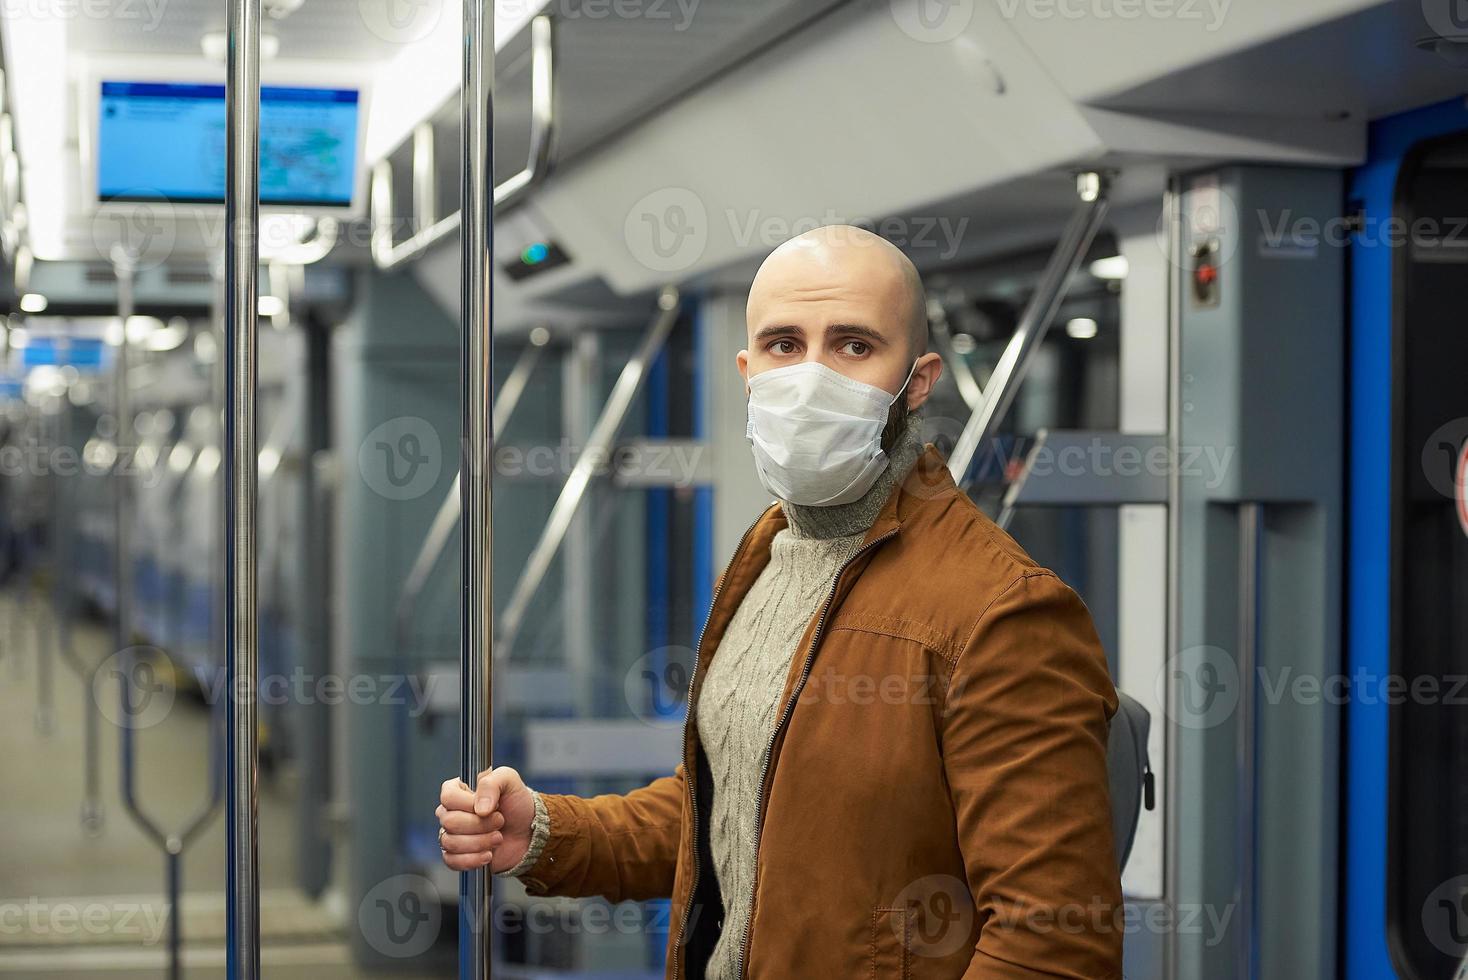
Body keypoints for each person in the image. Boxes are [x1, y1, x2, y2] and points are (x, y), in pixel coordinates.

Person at [437, 225, 1123, 978]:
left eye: (854, 346)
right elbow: (727, 817)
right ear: (747, 367)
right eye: (784, 345)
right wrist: (546, 833)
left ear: (918, 380)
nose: (811, 378)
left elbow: (1052, 944)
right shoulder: (768, 553)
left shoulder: (1001, 611)